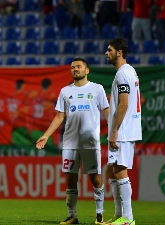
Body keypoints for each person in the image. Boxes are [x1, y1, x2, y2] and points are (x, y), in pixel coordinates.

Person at [36, 58, 109, 225]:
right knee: (70, 178)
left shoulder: (97, 89)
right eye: (73, 67)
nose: (75, 69)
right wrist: (46, 135)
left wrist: (114, 131)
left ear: (87, 70)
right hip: (70, 142)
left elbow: (106, 111)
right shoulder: (64, 91)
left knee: (95, 177)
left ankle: (99, 215)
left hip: (90, 142)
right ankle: (72, 216)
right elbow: (59, 116)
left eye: (79, 67)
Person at [104, 37, 142, 225]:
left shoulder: (122, 74)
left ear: (119, 52)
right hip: (126, 129)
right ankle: (119, 215)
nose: (106, 53)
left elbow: (124, 104)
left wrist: (114, 131)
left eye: (109, 50)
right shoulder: (130, 71)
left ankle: (127, 218)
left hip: (123, 131)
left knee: (119, 170)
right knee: (113, 170)